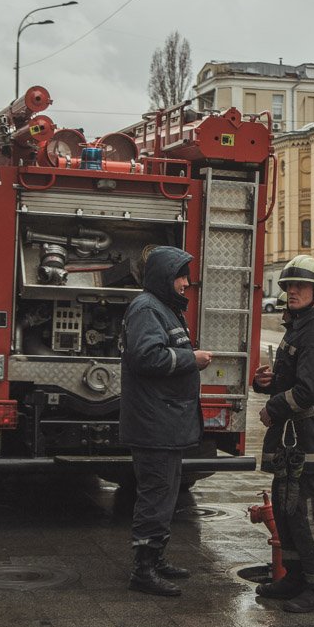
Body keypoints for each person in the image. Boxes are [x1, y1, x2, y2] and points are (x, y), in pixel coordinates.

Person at [119, 246, 213, 597]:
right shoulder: (147, 308)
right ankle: (143, 570)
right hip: (154, 424)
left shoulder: (162, 309)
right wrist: (192, 358)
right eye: (180, 275)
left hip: (165, 423)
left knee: (166, 495)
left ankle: (156, 559)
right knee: (156, 495)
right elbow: (147, 357)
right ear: (162, 276)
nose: (186, 283)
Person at [252, 255, 314, 613]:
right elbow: (294, 382)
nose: (291, 291)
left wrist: (272, 408)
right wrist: (268, 383)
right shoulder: (300, 326)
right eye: (289, 286)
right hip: (292, 439)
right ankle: (296, 576)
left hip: (305, 439)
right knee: (288, 510)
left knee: (306, 512)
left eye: (300, 286)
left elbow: (309, 391)